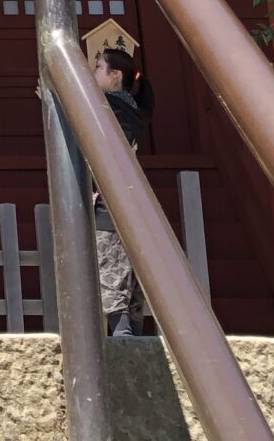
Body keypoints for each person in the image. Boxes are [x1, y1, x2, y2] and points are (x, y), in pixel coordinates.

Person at [90, 41, 154, 338]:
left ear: (115, 76)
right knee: (128, 262)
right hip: (131, 195)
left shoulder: (108, 108)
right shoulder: (131, 110)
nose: (94, 73)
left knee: (109, 260)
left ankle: (121, 328)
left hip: (109, 193)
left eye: (99, 67)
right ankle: (132, 325)